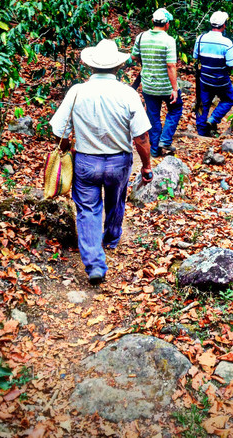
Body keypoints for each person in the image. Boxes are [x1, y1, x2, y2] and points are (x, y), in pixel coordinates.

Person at [50, 39, 153, 286]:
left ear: (90, 66)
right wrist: (147, 165)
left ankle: (95, 263)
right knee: (116, 199)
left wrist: (65, 150)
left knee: (87, 209)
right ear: (118, 67)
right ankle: (112, 237)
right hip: (118, 161)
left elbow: (58, 130)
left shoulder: (77, 91)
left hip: (86, 160)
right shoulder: (128, 94)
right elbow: (142, 137)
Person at [131, 7, 182, 157]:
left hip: (148, 85)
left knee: (153, 115)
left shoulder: (141, 37)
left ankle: (154, 149)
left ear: (152, 21)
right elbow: (171, 65)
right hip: (166, 86)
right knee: (176, 109)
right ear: (167, 24)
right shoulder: (169, 40)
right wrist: (174, 89)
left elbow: (134, 57)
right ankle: (165, 140)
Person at [193, 11, 233, 137]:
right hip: (221, 79)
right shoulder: (227, 42)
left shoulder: (200, 38)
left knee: (203, 104)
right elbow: (230, 63)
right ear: (224, 25)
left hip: (205, 78)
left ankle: (202, 133)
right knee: (229, 98)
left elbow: (195, 56)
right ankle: (213, 120)